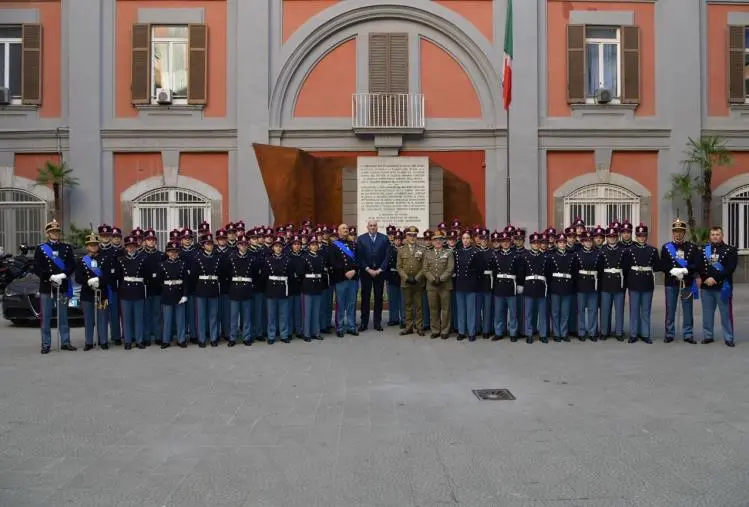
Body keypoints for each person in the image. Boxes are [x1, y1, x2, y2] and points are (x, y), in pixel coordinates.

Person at [660, 218, 700, 344]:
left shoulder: (692, 247)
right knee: (670, 309)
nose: (678, 234)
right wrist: (673, 271)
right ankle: (669, 333)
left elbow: (696, 264)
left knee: (687, 309)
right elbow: (663, 265)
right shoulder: (666, 247)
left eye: (681, 231)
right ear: (673, 233)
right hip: (671, 282)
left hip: (686, 282)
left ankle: (688, 334)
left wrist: (686, 271)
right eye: (676, 231)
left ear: (684, 233)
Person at [699, 226, 737, 347]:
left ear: (722, 235)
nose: (715, 236)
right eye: (713, 234)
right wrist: (706, 278)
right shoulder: (704, 250)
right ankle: (708, 336)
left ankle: (729, 337)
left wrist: (715, 278)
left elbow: (730, 268)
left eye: (718, 234)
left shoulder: (730, 250)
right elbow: (699, 266)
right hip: (707, 287)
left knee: (726, 314)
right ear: (710, 237)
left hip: (722, 287)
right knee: (707, 313)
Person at [622, 224, 659, 344]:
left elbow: (656, 266)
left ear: (646, 236)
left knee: (646, 310)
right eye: (639, 235)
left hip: (647, 281)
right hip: (634, 281)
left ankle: (645, 334)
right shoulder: (629, 250)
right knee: (634, 309)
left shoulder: (652, 250)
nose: (641, 238)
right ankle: (633, 334)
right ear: (636, 236)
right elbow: (626, 267)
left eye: (643, 235)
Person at [113, 234, 149, 350]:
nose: (131, 248)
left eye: (133, 246)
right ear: (126, 247)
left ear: (136, 246)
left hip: (138, 290)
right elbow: (118, 277)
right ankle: (128, 341)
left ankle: (139, 340)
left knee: (139, 318)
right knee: (126, 318)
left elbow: (146, 276)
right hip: (125, 290)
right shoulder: (120, 260)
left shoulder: (143, 258)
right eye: (129, 246)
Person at [76, 233, 109, 351]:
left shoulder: (105, 258)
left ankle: (103, 341)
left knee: (102, 318)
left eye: (95, 245)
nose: (93, 247)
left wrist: (99, 280)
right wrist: (89, 280)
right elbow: (78, 277)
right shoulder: (81, 260)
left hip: (101, 293)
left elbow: (109, 276)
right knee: (89, 319)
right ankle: (89, 342)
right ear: (87, 246)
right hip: (87, 293)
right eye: (91, 245)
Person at [356, 219, 390, 331]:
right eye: (370, 225)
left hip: (379, 273)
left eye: (374, 225)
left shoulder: (384, 239)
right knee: (365, 298)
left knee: (378, 298)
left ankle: (377, 323)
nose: (373, 227)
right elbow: (359, 257)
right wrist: (367, 269)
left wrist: (380, 269)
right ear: (367, 227)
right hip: (366, 273)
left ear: (377, 227)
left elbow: (387, 256)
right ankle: (364, 323)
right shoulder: (361, 239)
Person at [516, 233, 548, 344]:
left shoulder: (545, 257)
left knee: (542, 313)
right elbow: (521, 272)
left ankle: (543, 334)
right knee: (528, 313)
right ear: (530, 244)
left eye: (538, 243)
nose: (536, 245)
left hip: (541, 287)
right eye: (534, 243)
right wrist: (520, 285)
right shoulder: (525, 257)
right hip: (529, 286)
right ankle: (529, 334)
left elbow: (548, 274)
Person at [328, 224, 359, 337]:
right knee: (340, 304)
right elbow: (333, 262)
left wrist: (354, 270)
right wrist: (346, 272)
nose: (346, 230)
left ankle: (351, 326)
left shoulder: (354, 245)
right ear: (338, 231)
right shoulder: (334, 246)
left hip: (353, 277)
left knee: (351, 303)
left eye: (347, 229)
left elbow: (359, 259)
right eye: (343, 229)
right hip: (341, 278)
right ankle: (339, 327)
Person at [422, 231, 454, 339]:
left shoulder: (448, 253)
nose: (438, 241)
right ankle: (435, 330)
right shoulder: (427, 253)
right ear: (432, 241)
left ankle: (445, 330)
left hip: (445, 285)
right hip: (431, 285)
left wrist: (441, 279)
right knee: (433, 308)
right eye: (435, 240)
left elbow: (450, 269)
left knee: (445, 309)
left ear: (443, 241)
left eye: (440, 239)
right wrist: (432, 279)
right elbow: (425, 269)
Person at [225, 233, 255, 346]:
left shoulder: (251, 258)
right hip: (235, 288)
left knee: (246, 316)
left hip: (246, 288)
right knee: (233, 316)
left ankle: (246, 337)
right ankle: (232, 338)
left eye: (245, 244)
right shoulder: (231, 257)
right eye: (241, 244)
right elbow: (227, 274)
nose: (243, 246)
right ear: (238, 245)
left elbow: (254, 274)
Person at [546, 233, 577, 342]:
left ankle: (564, 333)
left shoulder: (571, 256)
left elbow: (574, 272)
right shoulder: (551, 256)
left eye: (564, 242)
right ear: (556, 243)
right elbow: (548, 273)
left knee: (565, 312)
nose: (562, 244)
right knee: (555, 312)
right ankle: (556, 333)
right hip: (555, 286)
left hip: (567, 286)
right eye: (560, 242)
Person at [158, 241, 189, 348]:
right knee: (167, 319)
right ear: (167, 253)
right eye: (171, 252)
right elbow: (159, 281)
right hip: (167, 292)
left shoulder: (182, 264)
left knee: (180, 319)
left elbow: (186, 280)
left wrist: (185, 295)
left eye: (176, 252)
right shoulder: (162, 265)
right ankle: (166, 340)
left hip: (179, 292)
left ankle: (181, 339)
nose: (173, 254)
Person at [192, 233, 222, 347]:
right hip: (201, 288)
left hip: (213, 287)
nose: (210, 246)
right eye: (207, 244)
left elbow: (220, 273)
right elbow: (194, 275)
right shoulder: (197, 258)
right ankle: (202, 339)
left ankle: (214, 338)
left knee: (213, 315)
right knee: (201, 315)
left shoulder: (217, 258)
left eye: (211, 244)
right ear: (203, 245)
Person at [490, 231, 519, 341]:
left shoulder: (515, 256)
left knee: (513, 313)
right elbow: (493, 272)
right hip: (499, 286)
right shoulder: (495, 256)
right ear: (500, 243)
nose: (505, 243)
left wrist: (519, 284)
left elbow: (519, 272)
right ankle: (499, 332)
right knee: (499, 312)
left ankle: (512, 332)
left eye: (507, 241)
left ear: (510, 242)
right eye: (503, 241)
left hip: (511, 286)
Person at [598, 226, 626, 341]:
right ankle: (605, 331)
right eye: (609, 237)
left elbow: (626, 267)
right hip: (606, 282)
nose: (612, 238)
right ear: (606, 238)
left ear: (617, 237)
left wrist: (625, 283)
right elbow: (599, 269)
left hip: (619, 282)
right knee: (605, 309)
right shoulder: (601, 250)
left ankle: (619, 332)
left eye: (614, 236)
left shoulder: (623, 250)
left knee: (619, 309)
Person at [397, 226, 426, 336]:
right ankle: (408, 327)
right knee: (407, 305)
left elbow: (424, 266)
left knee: (419, 306)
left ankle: (419, 327)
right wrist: (406, 278)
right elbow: (399, 267)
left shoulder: (422, 249)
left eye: (414, 235)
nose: (412, 237)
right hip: (406, 282)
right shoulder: (401, 250)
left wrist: (417, 278)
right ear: (406, 236)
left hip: (418, 282)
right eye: (410, 235)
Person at [264, 235, 292, 344]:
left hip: (283, 288)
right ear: (273, 248)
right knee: (271, 314)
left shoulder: (287, 260)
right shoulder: (268, 260)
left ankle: (284, 335)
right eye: (276, 246)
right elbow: (265, 276)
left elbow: (289, 276)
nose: (278, 248)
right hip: (271, 288)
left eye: (280, 246)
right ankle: (271, 335)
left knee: (283, 314)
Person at [453, 230, 480, 341]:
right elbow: (455, 269)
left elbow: (478, 270)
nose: (465, 240)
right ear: (461, 240)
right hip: (459, 283)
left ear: (471, 240)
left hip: (470, 284)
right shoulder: (457, 252)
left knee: (470, 310)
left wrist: (474, 283)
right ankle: (461, 331)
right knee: (461, 309)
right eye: (463, 238)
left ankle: (471, 332)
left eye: (467, 238)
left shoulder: (475, 252)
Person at [574, 231, 600, 342]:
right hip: (581, 284)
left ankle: (592, 332)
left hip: (593, 283)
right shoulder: (577, 254)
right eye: (586, 241)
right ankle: (581, 331)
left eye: (590, 241)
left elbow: (600, 270)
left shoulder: (598, 254)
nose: (588, 243)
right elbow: (574, 271)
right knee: (580, 310)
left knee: (593, 310)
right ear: (582, 242)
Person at [301, 236, 327, 342]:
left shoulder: (320, 258)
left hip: (318, 285)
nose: (315, 246)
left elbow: (323, 273)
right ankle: (306, 333)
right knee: (307, 312)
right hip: (308, 285)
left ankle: (316, 332)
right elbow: (301, 273)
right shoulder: (305, 258)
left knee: (316, 311)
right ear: (309, 246)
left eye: (316, 244)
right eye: (312, 244)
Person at [141, 229, 164, 346]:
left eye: (153, 240)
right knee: (146, 314)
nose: (151, 242)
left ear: (156, 242)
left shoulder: (161, 255)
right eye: (148, 240)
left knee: (157, 314)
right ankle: (146, 337)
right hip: (145, 288)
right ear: (145, 241)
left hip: (158, 288)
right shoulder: (140, 255)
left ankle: (158, 336)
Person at [475, 228, 494, 339]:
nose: (483, 241)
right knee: (477, 308)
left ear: (488, 240)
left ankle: (486, 329)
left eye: (485, 239)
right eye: (481, 238)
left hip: (488, 282)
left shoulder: (492, 252)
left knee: (487, 307)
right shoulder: (474, 252)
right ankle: (477, 328)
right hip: (477, 282)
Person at [287, 235, 306, 338]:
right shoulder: (287, 256)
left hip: (300, 285)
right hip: (290, 285)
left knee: (298, 310)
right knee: (289, 310)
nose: (297, 246)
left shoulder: (304, 256)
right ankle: (289, 331)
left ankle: (299, 330)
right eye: (295, 244)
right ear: (291, 246)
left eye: (299, 244)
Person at [385, 230, 403, 327]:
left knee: (402, 299)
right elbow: (386, 262)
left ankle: (403, 319)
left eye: (400, 239)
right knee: (392, 299)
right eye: (396, 239)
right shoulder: (389, 249)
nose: (398, 241)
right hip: (392, 276)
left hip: (402, 277)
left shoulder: (404, 249)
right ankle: (394, 318)